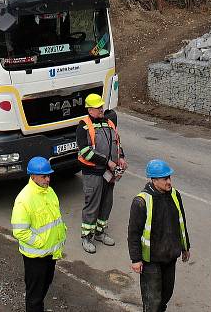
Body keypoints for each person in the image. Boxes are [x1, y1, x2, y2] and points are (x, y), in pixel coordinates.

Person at [128, 159, 191, 312]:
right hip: (151, 260)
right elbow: (133, 233)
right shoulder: (141, 201)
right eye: (165, 179)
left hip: (170, 256)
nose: (169, 182)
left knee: (166, 294)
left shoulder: (175, 195)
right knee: (152, 300)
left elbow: (181, 223)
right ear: (154, 180)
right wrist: (136, 260)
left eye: (169, 177)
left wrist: (185, 247)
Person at [11, 156, 67, 312]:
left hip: (50, 253)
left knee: (45, 286)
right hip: (36, 257)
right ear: (33, 176)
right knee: (34, 296)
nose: (48, 179)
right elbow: (20, 231)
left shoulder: (49, 192)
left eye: (49, 175)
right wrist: (41, 242)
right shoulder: (24, 199)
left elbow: (55, 217)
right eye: (44, 176)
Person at [76, 93, 126, 254]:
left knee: (106, 203)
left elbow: (116, 143)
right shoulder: (83, 125)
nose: (101, 109)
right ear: (90, 109)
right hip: (93, 173)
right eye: (98, 107)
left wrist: (121, 157)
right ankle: (87, 237)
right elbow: (85, 152)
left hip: (109, 173)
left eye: (101, 106)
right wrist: (107, 162)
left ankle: (100, 233)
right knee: (92, 205)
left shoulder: (109, 122)